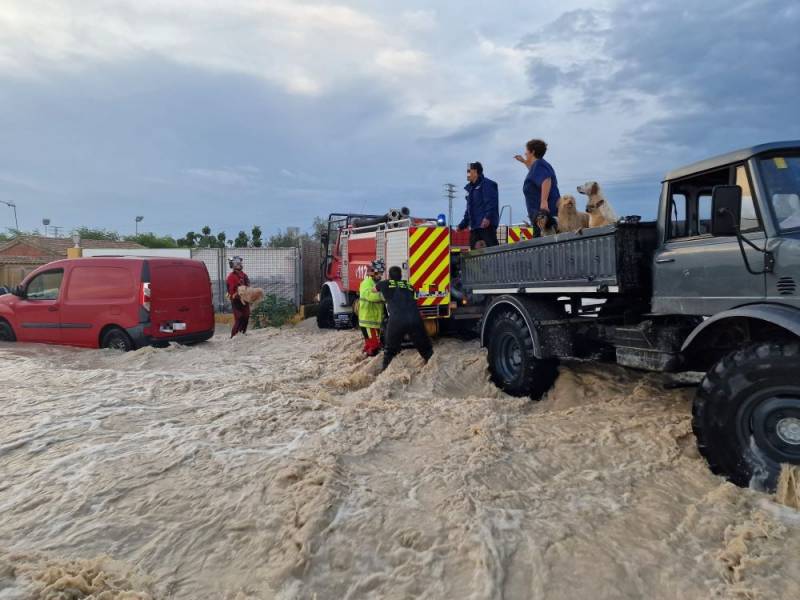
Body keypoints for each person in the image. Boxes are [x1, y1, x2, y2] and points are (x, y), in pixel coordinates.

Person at [376, 266, 433, 371]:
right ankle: (433, 368)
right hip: (415, 319)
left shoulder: (384, 284)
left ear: (389, 275)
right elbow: (415, 297)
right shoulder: (409, 285)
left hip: (397, 320)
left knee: (390, 350)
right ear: (401, 275)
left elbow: (373, 290)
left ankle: (383, 373)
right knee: (426, 349)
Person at [515, 139, 561, 234]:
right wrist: (524, 161)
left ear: (533, 152)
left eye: (527, 151)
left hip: (544, 217)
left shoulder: (539, 165)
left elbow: (546, 179)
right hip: (541, 216)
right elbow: (535, 174)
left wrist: (544, 202)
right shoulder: (539, 165)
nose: (525, 153)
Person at [457, 161, 500, 249]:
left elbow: (491, 202)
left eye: (469, 171)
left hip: (486, 227)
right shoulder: (471, 189)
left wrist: (487, 218)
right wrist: (462, 225)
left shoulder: (487, 184)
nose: (467, 174)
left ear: (475, 172)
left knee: (492, 253)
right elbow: (469, 210)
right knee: (474, 256)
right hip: (475, 228)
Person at [359, 259, 385, 356]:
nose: (380, 275)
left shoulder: (375, 283)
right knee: (374, 346)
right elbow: (370, 296)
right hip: (368, 321)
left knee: (371, 345)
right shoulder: (366, 283)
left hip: (373, 321)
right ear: (373, 272)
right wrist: (383, 296)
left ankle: (365, 358)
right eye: (379, 273)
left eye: (381, 273)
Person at [226, 256, 250, 338]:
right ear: (233, 265)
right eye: (237, 263)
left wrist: (249, 293)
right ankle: (233, 336)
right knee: (239, 317)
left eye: (239, 263)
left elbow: (248, 285)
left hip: (245, 299)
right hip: (236, 300)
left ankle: (242, 333)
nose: (239, 264)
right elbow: (230, 290)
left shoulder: (244, 275)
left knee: (246, 316)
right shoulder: (230, 277)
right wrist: (236, 294)